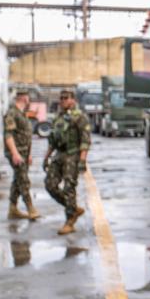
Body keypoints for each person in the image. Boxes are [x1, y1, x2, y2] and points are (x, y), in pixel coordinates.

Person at [43, 89, 91, 235]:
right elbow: (53, 140)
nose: (62, 100)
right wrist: (47, 156)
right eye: (61, 98)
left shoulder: (80, 117)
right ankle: (74, 208)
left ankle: (70, 221)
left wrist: (82, 160)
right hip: (59, 154)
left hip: (73, 155)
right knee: (50, 185)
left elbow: (85, 140)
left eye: (66, 98)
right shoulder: (59, 117)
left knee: (69, 188)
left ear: (73, 100)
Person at [4, 90, 40, 220]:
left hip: (24, 152)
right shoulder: (12, 113)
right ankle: (31, 209)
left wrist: (29, 154)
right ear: (25, 98)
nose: (29, 100)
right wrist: (15, 154)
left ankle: (12, 209)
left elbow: (28, 136)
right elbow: (8, 135)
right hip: (17, 153)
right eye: (28, 98)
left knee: (17, 180)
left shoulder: (22, 114)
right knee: (23, 180)